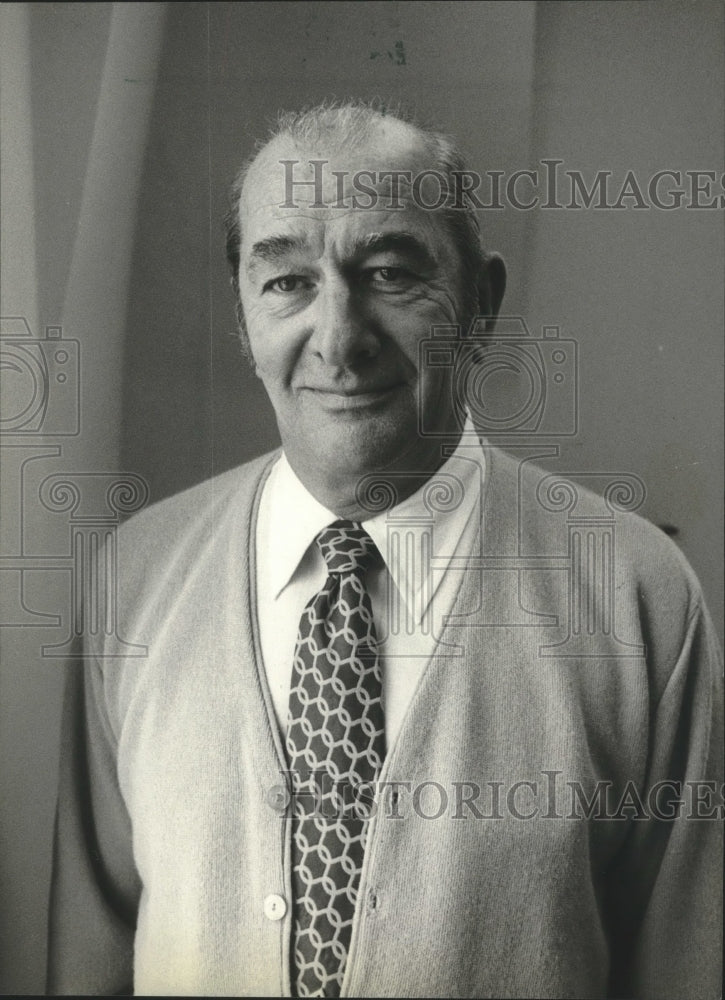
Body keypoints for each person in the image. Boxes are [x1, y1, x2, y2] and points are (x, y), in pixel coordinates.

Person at [47, 101, 722, 998]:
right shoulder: (133, 582)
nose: (338, 339)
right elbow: (86, 956)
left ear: (480, 303)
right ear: (243, 314)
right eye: (286, 282)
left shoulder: (637, 597)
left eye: (390, 273)